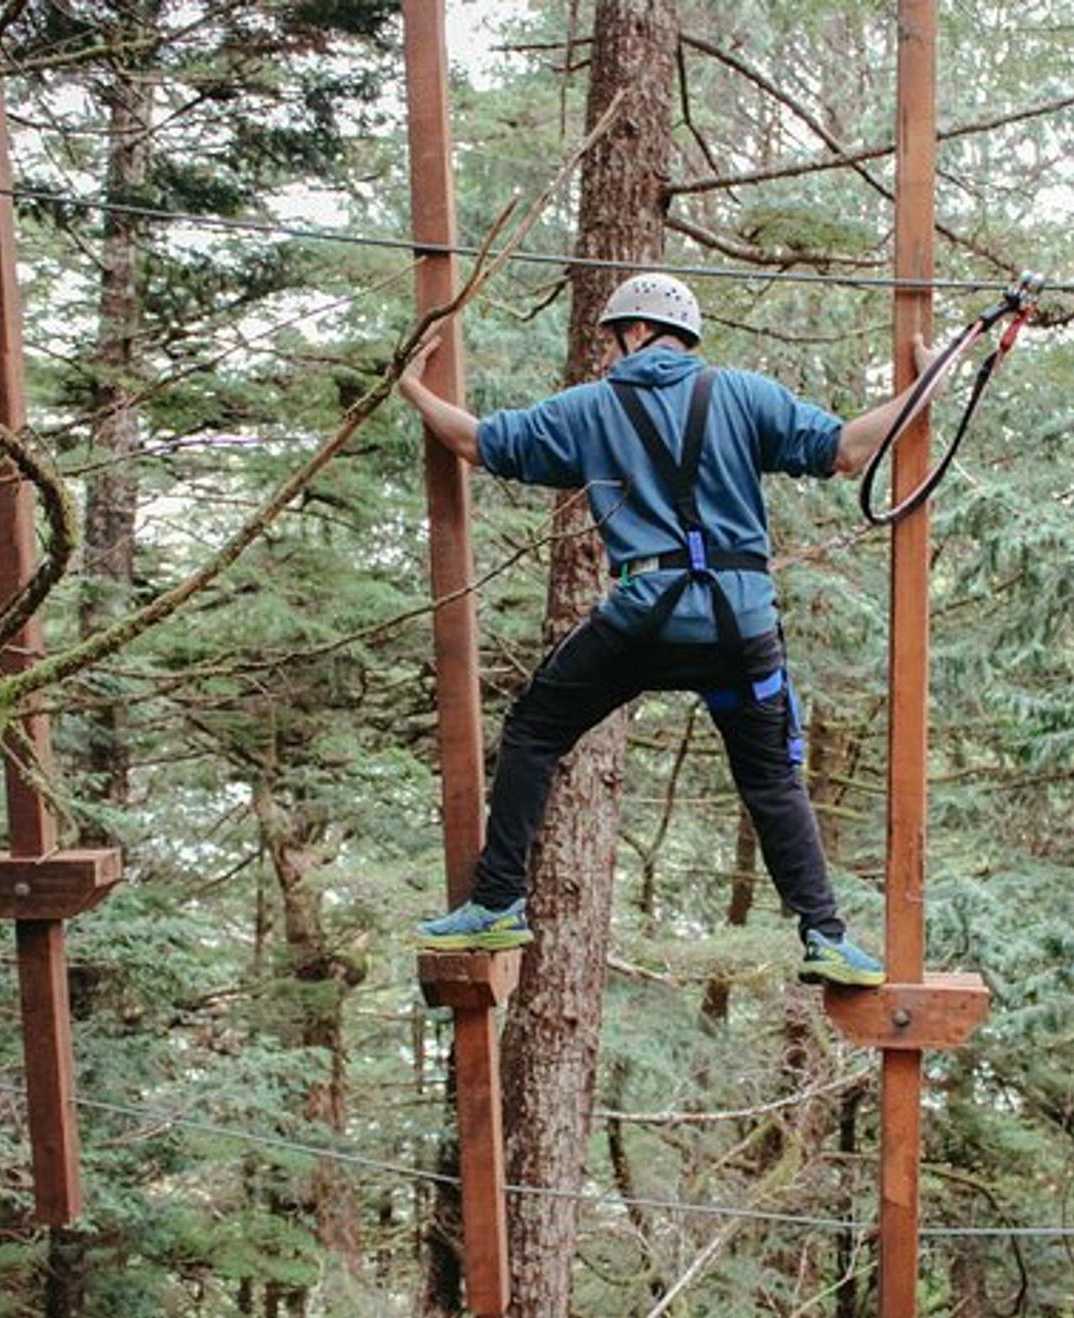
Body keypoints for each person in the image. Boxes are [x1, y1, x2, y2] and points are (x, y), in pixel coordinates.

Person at [396, 272, 932, 987]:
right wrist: (923, 394)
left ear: (638, 331)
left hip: (643, 618)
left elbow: (479, 441)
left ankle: (496, 902)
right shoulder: (743, 394)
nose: (609, 358)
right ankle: (826, 936)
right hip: (740, 625)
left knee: (535, 730)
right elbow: (847, 449)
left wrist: (413, 389)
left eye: (613, 341)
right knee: (772, 777)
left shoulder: (591, 408)